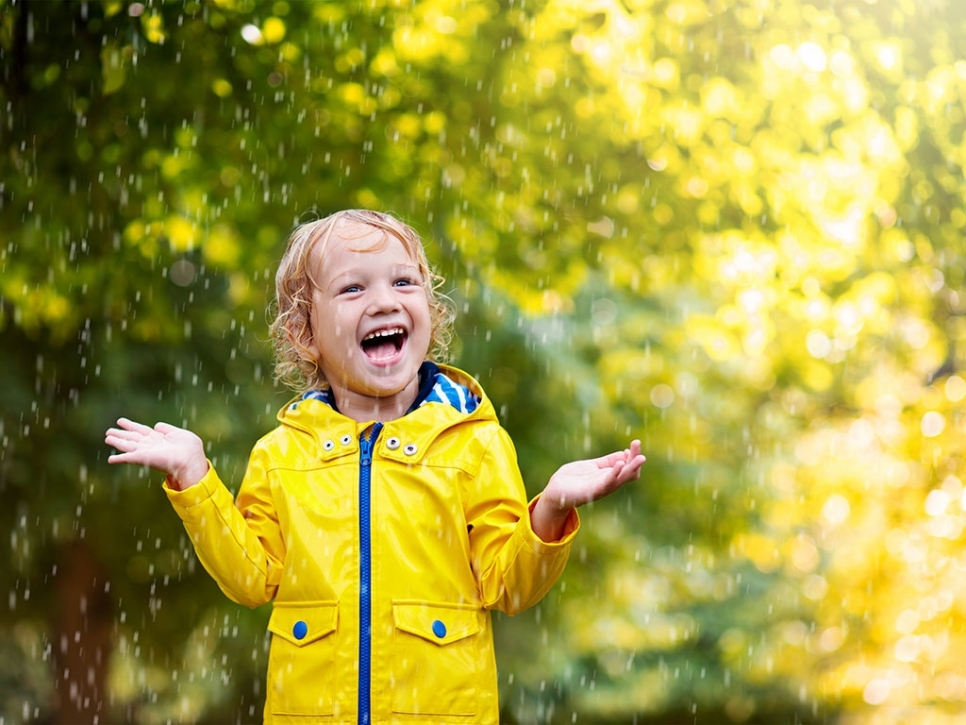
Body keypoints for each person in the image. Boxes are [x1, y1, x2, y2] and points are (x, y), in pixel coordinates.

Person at [104, 209, 645, 724]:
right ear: (305, 333)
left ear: (430, 313)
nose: (385, 301)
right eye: (353, 288)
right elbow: (251, 578)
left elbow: (509, 586)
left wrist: (550, 508)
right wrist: (195, 479)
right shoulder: (280, 454)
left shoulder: (474, 443)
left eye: (404, 283)